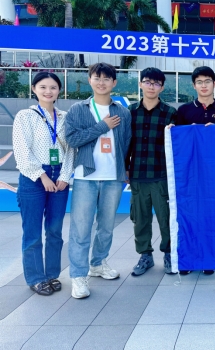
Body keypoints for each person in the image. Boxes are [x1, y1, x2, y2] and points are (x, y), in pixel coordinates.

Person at [65, 63, 131, 299]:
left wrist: (125, 170)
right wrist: (102, 126)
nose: (101, 82)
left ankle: (97, 263)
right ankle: (78, 276)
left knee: (106, 226)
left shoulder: (122, 112)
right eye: (97, 78)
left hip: (113, 177)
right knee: (81, 228)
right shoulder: (78, 109)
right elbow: (72, 139)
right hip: (86, 176)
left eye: (106, 79)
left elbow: (126, 143)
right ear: (90, 80)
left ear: (114, 82)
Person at [13, 72, 75, 296]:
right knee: (32, 232)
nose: (48, 91)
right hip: (33, 178)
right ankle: (36, 278)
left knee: (55, 230)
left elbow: (71, 149)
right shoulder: (25, 116)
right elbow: (22, 150)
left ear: (59, 90)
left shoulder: (65, 117)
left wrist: (65, 176)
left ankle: (51, 274)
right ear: (34, 89)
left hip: (60, 177)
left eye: (53, 87)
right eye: (43, 87)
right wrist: (42, 176)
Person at [174, 66, 215, 276]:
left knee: (212, 216)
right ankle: (189, 259)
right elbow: (177, 141)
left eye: (208, 81)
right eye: (199, 82)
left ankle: (208, 259)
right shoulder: (184, 111)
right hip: (191, 173)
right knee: (190, 215)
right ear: (194, 85)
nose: (204, 85)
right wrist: (172, 131)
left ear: (214, 84)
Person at [126, 68, 177, 277]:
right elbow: (125, 143)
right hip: (138, 175)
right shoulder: (130, 111)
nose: (151, 87)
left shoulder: (170, 113)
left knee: (166, 218)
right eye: (147, 82)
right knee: (140, 219)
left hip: (162, 176)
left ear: (162, 87)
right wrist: (125, 168)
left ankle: (169, 254)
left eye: (156, 83)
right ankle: (145, 255)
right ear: (140, 84)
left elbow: (177, 144)